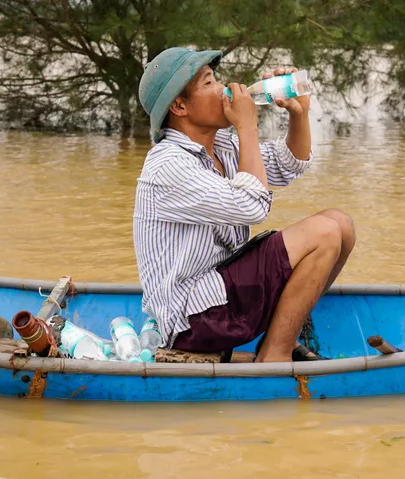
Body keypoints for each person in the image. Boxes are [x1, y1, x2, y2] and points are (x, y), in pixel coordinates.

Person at [133, 47, 357, 362]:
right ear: (180, 106)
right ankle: (275, 356)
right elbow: (252, 205)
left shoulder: (220, 144)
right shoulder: (168, 164)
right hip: (193, 319)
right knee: (324, 233)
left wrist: (299, 113)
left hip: (221, 293)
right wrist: (247, 126)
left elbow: (288, 164)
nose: (224, 90)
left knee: (341, 225)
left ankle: (282, 337)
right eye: (209, 83)